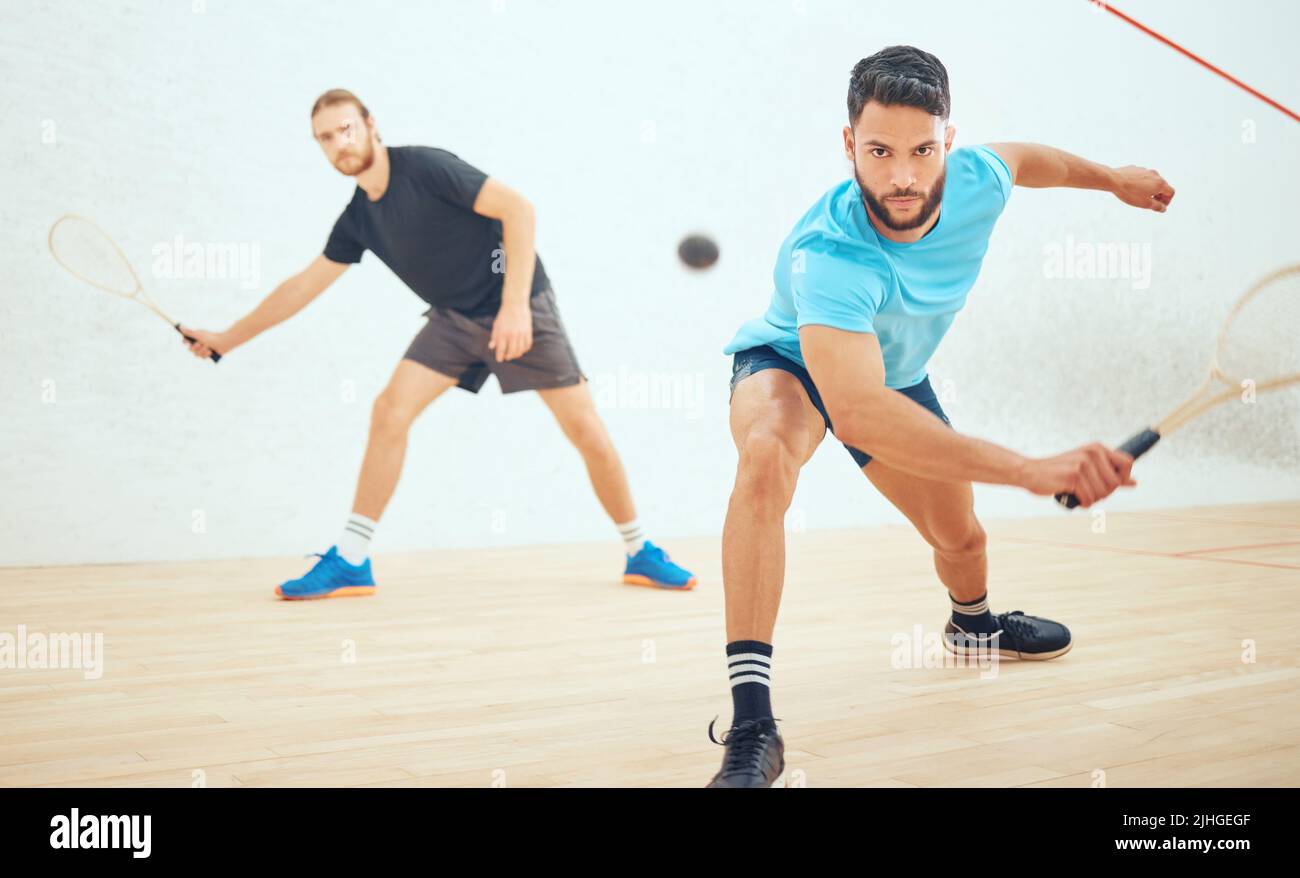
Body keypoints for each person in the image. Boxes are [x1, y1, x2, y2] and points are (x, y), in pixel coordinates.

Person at [708, 46, 1174, 787]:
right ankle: (753, 724)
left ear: (947, 142)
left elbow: (1033, 161)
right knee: (766, 456)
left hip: (894, 378)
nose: (902, 176)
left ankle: (973, 626)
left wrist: (1113, 179)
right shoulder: (829, 252)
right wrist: (1030, 469)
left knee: (962, 538)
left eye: (921, 150)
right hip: (790, 365)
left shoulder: (977, 180)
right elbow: (858, 414)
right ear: (848, 144)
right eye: (879, 151)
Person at [182, 89, 696, 598]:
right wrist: (227, 339)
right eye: (325, 138)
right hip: (455, 320)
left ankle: (640, 551)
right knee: (389, 411)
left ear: (370, 124)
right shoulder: (358, 219)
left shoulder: (425, 168)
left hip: (520, 304)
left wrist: (515, 306)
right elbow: (301, 287)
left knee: (585, 429)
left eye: (346, 129)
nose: (339, 143)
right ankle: (352, 560)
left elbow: (519, 210)